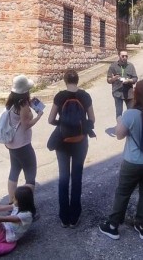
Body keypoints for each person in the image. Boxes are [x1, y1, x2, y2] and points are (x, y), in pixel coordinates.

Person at [99, 79, 143, 242]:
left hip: (134, 162)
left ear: (137, 94)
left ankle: (113, 226)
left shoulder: (130, 114)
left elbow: (119, 135)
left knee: (123, 192)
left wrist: (119, 121)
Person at [48, 69, 96, 228]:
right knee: (77, 177)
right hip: (80, 142)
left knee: (63, 178)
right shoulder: (85, 96)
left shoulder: (60, 96)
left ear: (65, 80)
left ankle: (64, 217)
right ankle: (74, 217)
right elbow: (92, 119)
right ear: (77, 80)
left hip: (63, 141)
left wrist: (62, 124)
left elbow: (50, 119)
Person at [5, 75, 43, 205]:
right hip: (23, 144)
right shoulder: (23, 104)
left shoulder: (11, 101)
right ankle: (26, 206)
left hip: (12, 143)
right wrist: (38, 116)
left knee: (14, 170)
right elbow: (26, 125)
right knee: (30, 175)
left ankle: (11, 202)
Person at [106, 50, 138, 119]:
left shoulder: (131, 66)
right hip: (117, 93)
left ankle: (129, 125)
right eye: (123, 56)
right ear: (119, 56)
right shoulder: (113, 66)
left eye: (126, 56)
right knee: (119, 113)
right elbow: (108, 80)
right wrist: (113, 79)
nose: (125, 57)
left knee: (130, 113)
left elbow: (135, 78)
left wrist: (129, 80)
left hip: (129, 94)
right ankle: (120, 125)